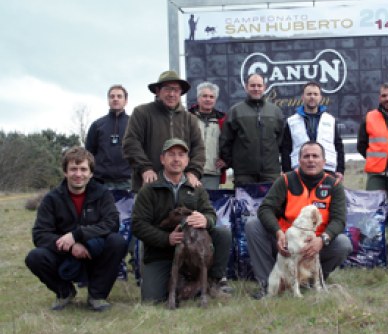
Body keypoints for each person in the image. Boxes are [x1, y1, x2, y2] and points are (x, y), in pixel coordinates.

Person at [245, 141, 353, 299]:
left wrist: (322, 240)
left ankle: (310, 281)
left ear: (323, 161)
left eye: (315, 156)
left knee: (343, 244)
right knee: (253, 225)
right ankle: (268, 285)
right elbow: (265, 209)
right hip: (286, 245)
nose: (311, 160)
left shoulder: (334, 185)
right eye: (306, 156)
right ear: (299, 160)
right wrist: (278, 233)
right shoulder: (286, 180)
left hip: (315, 246)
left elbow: (339, 220)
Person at [25, 147, 127, 311]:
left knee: (117, 242)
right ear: (65, 172)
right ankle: (64, 292)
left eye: (83, 169)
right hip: (64, 256)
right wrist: (71, 246)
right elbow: (40, 235)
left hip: (95, 253)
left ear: (91, 173)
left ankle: (97, 296)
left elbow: (112, 223)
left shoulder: (103, 194)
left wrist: (78, 236)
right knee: (35, 257)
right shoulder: (51, 199)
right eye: (73, 169)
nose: (78, 174)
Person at [131, 138, 233, 302]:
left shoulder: (196, 187)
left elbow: (210, 213)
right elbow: (137, 225)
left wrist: (206, 220)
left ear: (187, 161)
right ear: (162, 159)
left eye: (181, 155)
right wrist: (166, 239)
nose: (176, 159)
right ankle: (174, 284)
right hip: (161, 252)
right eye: (171, 155)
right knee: (152, 299)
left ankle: (212, 282)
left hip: (193, 250)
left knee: (222, 234)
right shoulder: (149, 189)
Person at [123, 70, 205, 192]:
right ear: (157, 91)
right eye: (167, 89)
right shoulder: (142, 113)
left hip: (181, 188)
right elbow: (131, 143)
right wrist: (145, 168)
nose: (171, 94)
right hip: (148, 186)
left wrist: (193, 172)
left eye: (176, 90)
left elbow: (198, 149)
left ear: (181, 92)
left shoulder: (190, 119)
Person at [85, 84, 133, 280]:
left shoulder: (133, 123)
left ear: (125, 100)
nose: (115, 99)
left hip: (127, 183)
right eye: (112, 96)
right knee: (104, 224)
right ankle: (105, 265)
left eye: (119, 96)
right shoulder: (98, 125)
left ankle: (125, 264)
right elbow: (88, 154)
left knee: (126, 226)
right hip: (102, 184)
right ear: (108, 99)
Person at [219, 73, 284, 186]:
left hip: (271, 173)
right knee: (244, 204)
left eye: (259, 85)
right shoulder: (235, 111)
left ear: (264, 87)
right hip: (244, 174)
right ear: (246, 87)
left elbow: (281, 140)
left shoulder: (275, 111)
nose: (256, 89)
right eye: (252, 85)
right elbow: (225, 141)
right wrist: (234, 163)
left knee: (271, 204)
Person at [281, 81, 344, 180]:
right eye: (309, 94)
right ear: (303, 96)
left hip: (327, 169)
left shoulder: (330, 120)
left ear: (320, 97)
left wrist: (340, 170)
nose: (312, 97)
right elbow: (285, 148)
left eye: (315, 94)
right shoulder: (291, 121)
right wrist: (287, 172)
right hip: (299, 170)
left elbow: (338, 145)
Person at [357, 82, 388, 205]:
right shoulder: (369, 117)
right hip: (376, 174)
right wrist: (375, 159)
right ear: (380, 98)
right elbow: (361, 145)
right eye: (384, 96)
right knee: (374, 210)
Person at [189, 81, 227, 190]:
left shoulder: (223, 120)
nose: (208, 99)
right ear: (198, 98)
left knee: (209, 205)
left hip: (212, 173)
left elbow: (229, 143)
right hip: (190, 172)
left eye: (211, 97)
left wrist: (226, 160)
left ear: (215, 99)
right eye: (204, 96)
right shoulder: (187, 117)